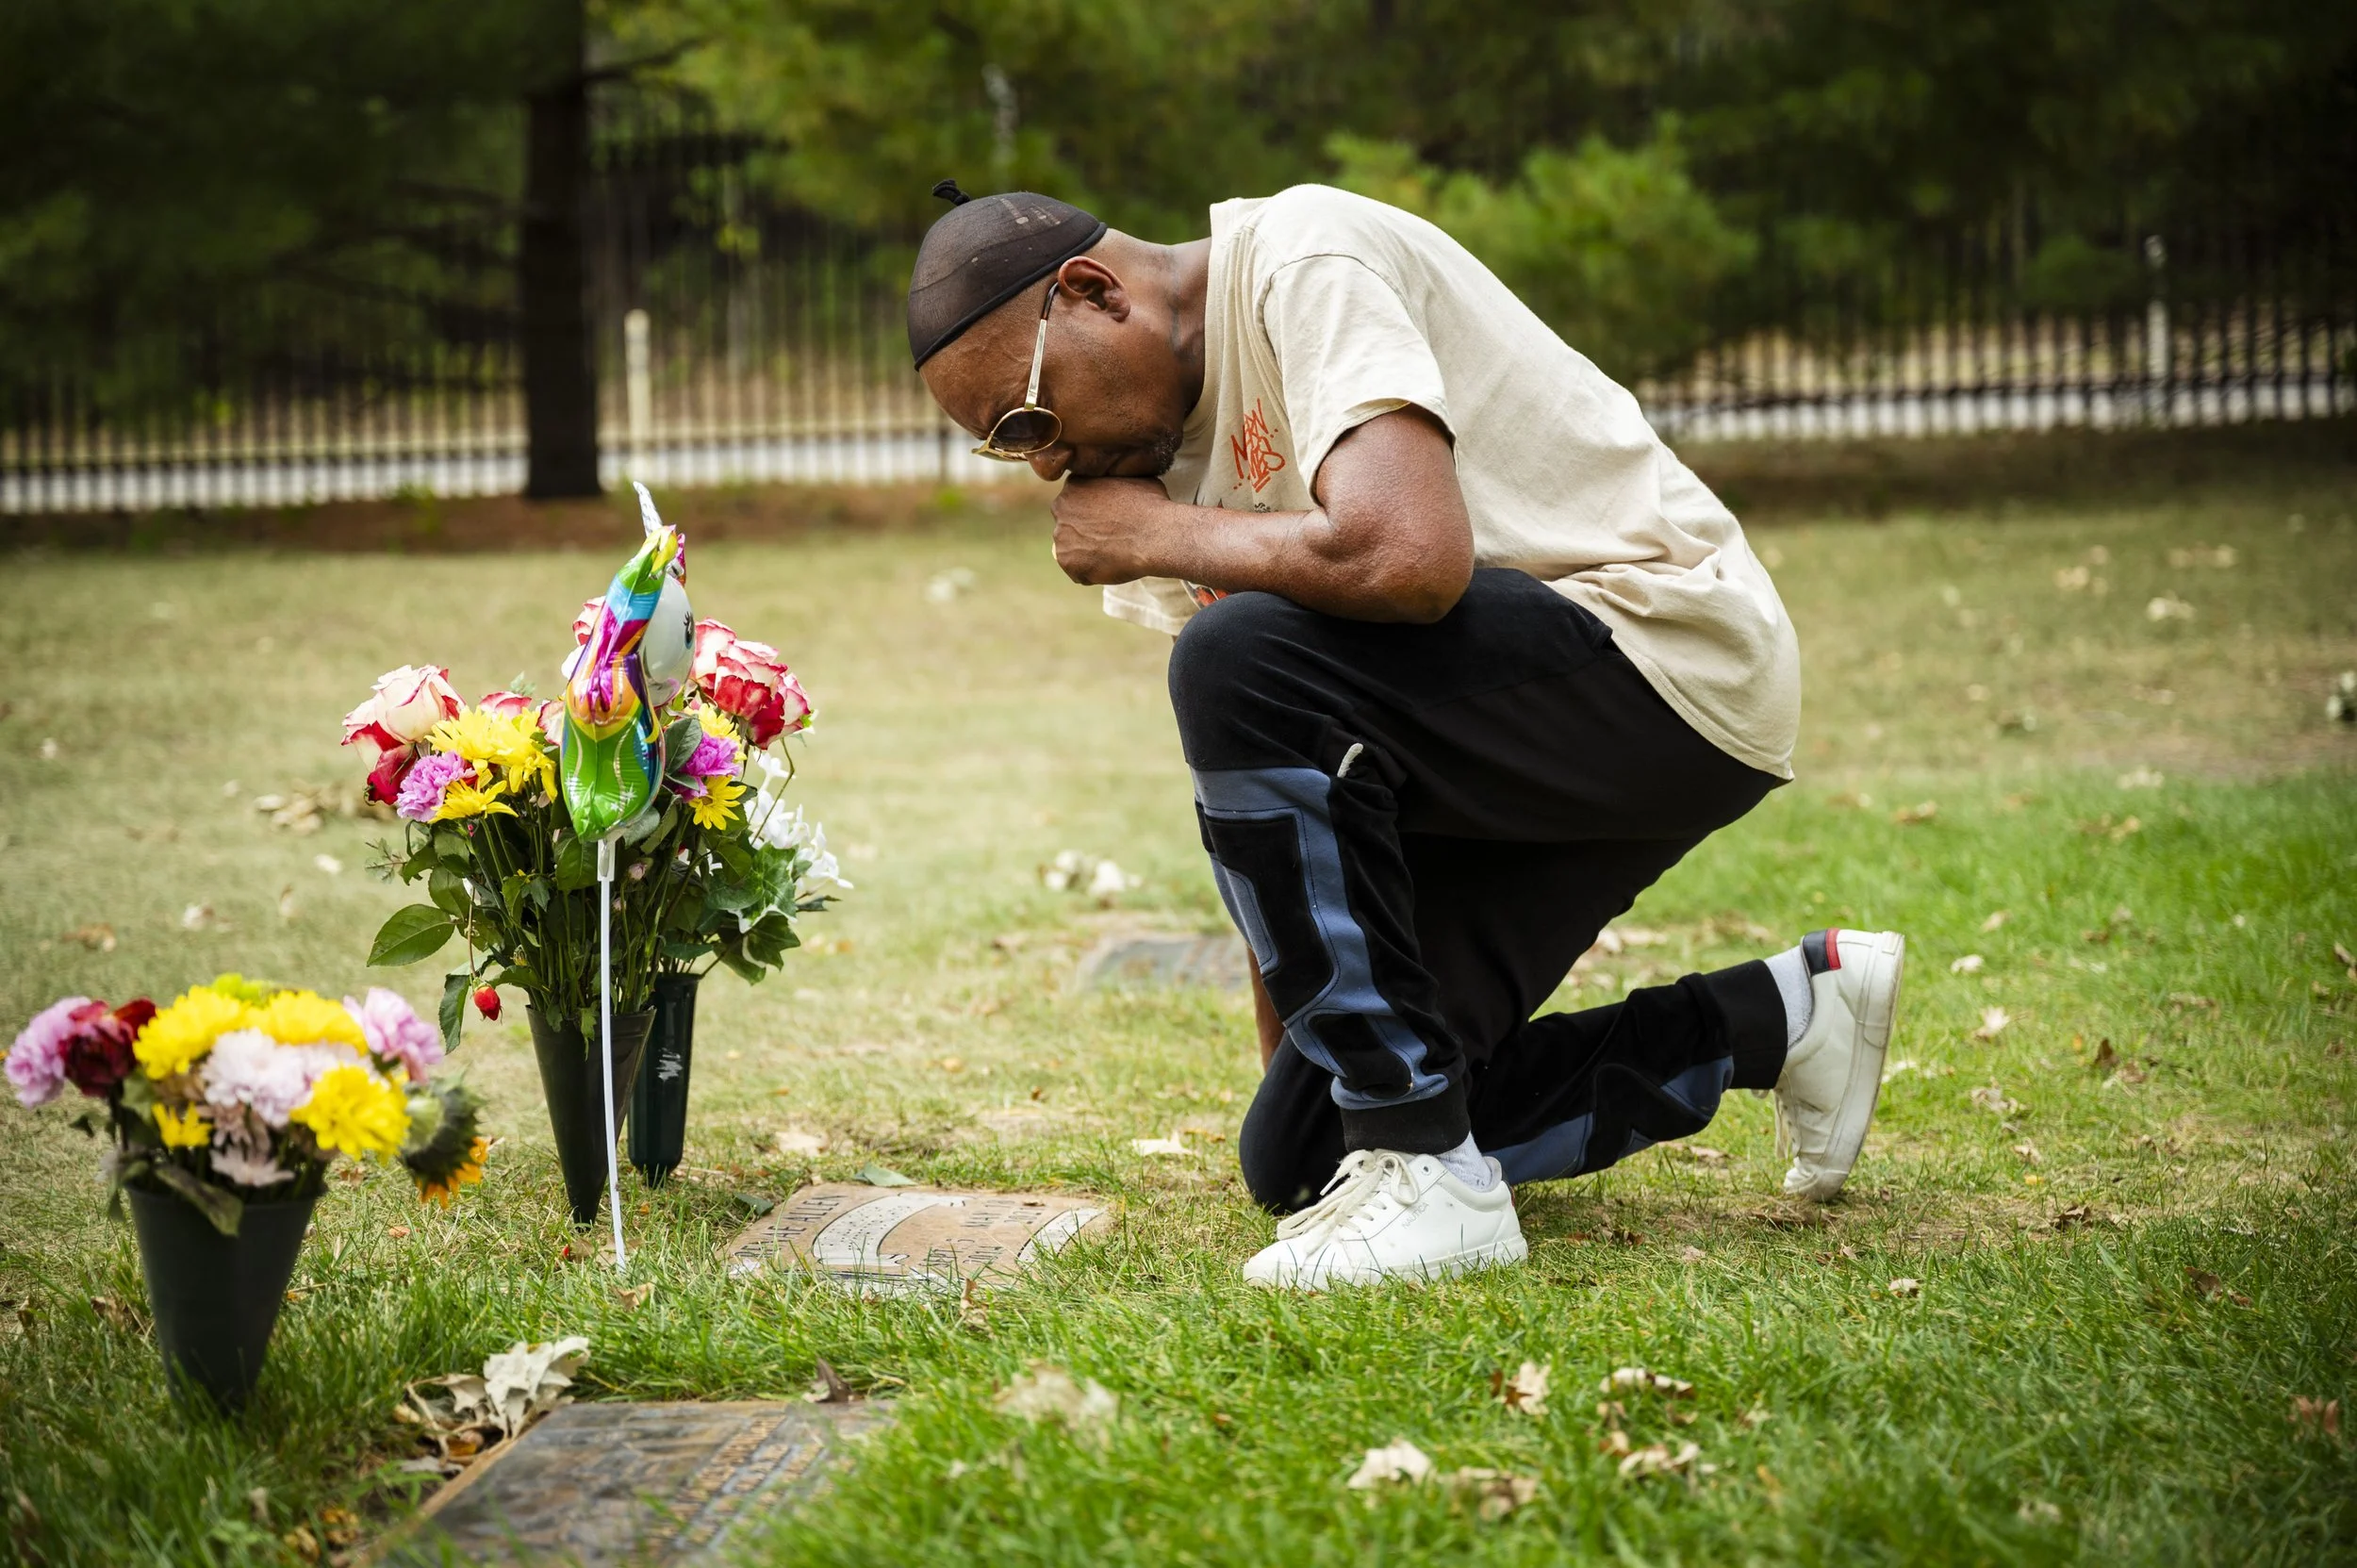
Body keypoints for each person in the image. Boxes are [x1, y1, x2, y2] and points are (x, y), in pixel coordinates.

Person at [905, 178, 1907, 1290]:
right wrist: (1331, 1102)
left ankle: (1431, 1170)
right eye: (1009, 449)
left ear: (1092, 292)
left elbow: (1408, 559)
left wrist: (1160, 535)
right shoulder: (1164, 467)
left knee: (1234, 654)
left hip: (1657, 659)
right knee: (1298, 1156)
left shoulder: (1298, 258)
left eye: (1028, 419)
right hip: (1485, 751)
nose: (1043, 462)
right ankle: (1782, 1014)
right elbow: (1268, 790)